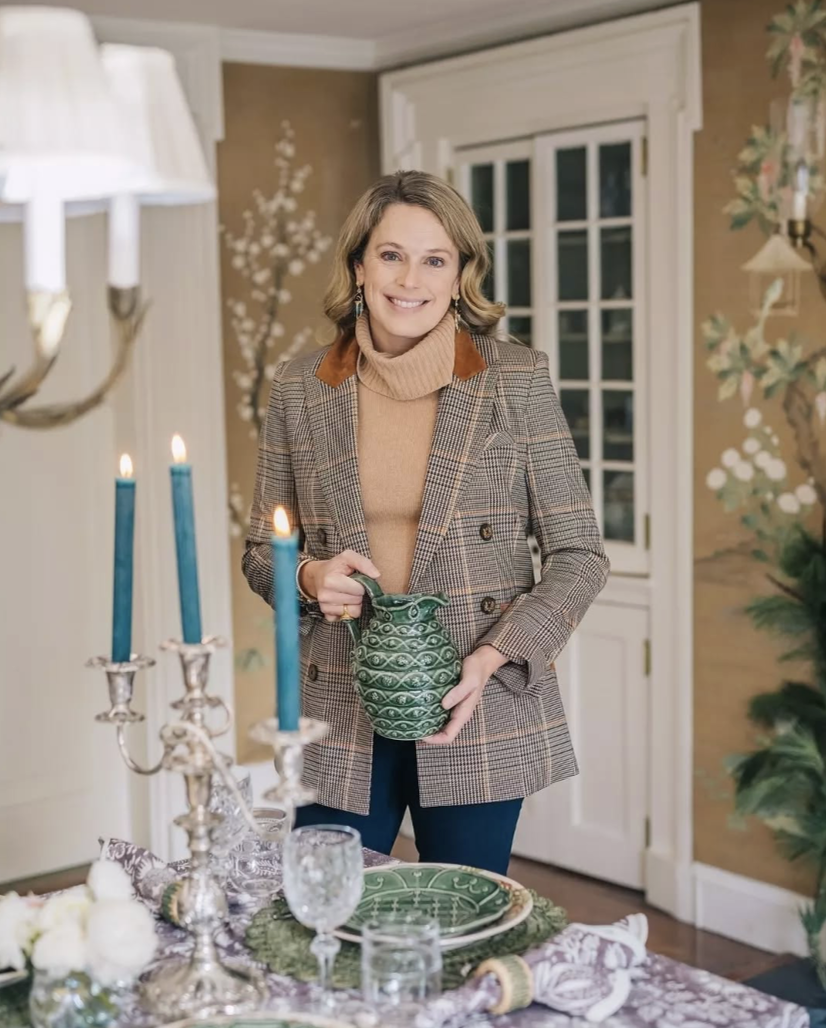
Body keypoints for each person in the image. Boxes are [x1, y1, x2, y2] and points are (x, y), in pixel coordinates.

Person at [243, 170, 609, 875]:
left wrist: (496, 654)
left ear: (460, 274)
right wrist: (308, 575)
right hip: (338, 703)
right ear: (358, 265)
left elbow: (579, 554)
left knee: (461, 919)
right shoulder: (301, 385)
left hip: (472, 701)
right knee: (333, 917)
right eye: (391, 255)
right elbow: (264, 551)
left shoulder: (515, 379)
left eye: (435, 258)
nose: (410, 278)